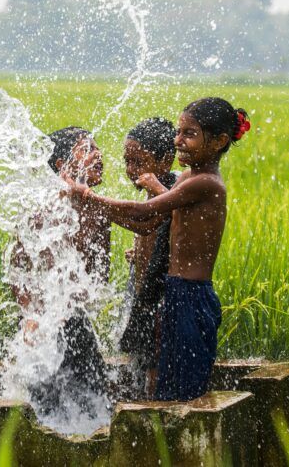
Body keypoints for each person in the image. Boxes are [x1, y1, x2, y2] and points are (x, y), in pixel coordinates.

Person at [65, 98, 250, 401]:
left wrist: (87, 196)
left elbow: (142, 211)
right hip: (176, 292)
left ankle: (180, 444)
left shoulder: (206, 183)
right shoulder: (189, 178)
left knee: (184, 390)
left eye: (190, 134)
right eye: (179, 131)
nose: (179, 140)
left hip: (192, 295)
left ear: (219, 141)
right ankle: (165, 442)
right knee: (168, 383)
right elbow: (148, 222)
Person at [18, 126, 111, 415]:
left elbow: (101, 273)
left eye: (97, 147)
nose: (98, 155)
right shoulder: (42, 210)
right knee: (43, 407)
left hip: (75, 321)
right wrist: (31, 315)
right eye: (87, 149)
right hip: (41, 325)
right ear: (62, 165)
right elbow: (18, 270)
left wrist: (76, 299)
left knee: (93, 401)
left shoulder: (98, 210)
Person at [118, 117, 178, 397]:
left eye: (138, 162)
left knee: (155, 359)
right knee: (141, 357)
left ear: (165, 161)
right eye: (127, 161)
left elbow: (183, 226)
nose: (131, 170)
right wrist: (139, 252)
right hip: (143, 291)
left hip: (159, 295)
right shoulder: (152, 192)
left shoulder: (173, 190)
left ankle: (151, 414)